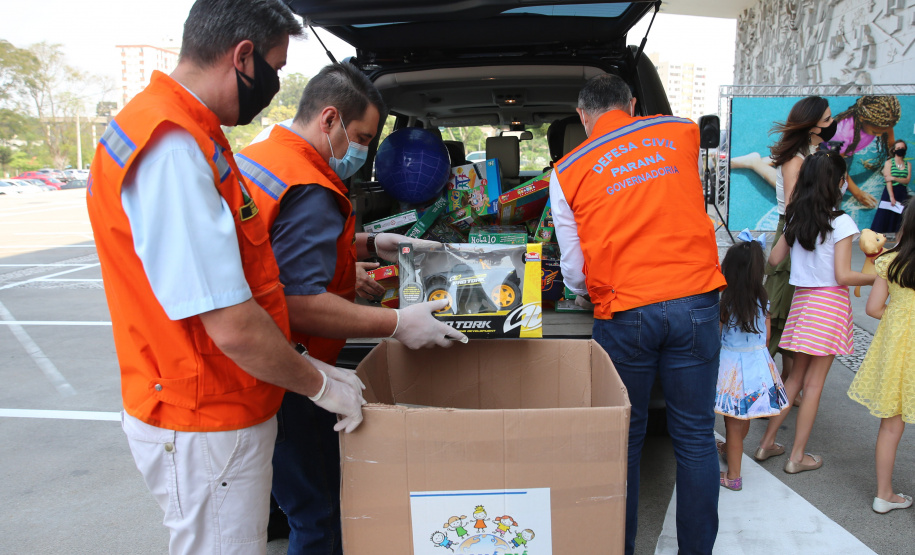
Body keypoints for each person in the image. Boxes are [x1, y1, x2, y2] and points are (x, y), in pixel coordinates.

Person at [86, 2, 368, 553]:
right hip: (203, 412)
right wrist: (318, 383)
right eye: (277, 67)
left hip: (208, 397)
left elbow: (242, 275)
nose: (277, 83)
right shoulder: (170, 143)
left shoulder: (189, 131)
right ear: (243, 57)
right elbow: (231, 322)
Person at [237, 62, 466, 555]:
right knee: (319, 514)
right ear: (329, 119)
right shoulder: (311, 186)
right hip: (292, 369)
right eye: (360, 136)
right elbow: (300, 303)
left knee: (295, 498)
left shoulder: (261, 159)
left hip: (258, 364)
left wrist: (369, 244)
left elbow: (276, 252)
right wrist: (399, 322)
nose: (360, 152)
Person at [549, 73, 727, 555]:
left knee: (623, 440)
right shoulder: (681, 131)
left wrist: (587, 290)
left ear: (582, 117)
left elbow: (574, 274)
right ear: (630, 103)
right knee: (693, 435)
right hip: (695, 300)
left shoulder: (567, 171)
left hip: (625, 313)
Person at [755, 151, 876, 473]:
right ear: (837, 184)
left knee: (794, 378)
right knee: (815, 385)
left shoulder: (796, 218)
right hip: (829, 306)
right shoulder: (842, 222)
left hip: (802, 304)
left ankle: (767, 444)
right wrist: (880, 274)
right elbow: (843, 276)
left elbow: (774, 260)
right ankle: (797, 456)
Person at [847, 205, 915, 514]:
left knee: (891, 425)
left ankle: (883, 494)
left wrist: (902, 318)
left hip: (900, 349)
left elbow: (874, 308)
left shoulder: (888, 262)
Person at [763, 96, 834, 386]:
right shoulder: (795, 159)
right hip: (794, 234)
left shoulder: (807, 154)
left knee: (791, 315)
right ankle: (757, 387)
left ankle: (785, 383)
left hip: (801, 234)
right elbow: (794, 210)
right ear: (812, 124)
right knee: (778, 316)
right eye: (828, 120)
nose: (832, 125)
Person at [714, 231, 789, 491]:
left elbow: (718, 335)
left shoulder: (726, 301)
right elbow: (766, 336)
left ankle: (733, 476)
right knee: (742, 419)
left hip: (732, 368)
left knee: (732, 424)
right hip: (758, 366)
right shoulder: (763, 298)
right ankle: (729, 449)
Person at [870, 140, 911, 236]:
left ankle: (898, 237)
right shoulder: (889, 163)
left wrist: (894, 178)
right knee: (884, 216)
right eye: (899, 148)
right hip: (890, 192)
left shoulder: (908, 164)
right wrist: (892, 197)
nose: (901, 150)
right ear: (894, 150)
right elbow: (887, 180)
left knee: (900, 217)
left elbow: (907, 180)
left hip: (902, 193)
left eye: (903, 148)